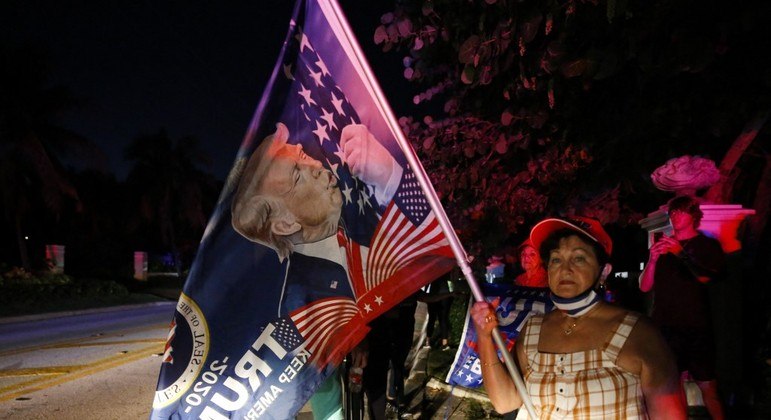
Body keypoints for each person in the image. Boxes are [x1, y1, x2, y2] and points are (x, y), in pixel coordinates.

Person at [230, 122, 400, 419]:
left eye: (304, 156)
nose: (318, 166)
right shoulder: (298, 299)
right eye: (297, 174)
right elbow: (308, 380)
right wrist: (351, 339)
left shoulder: (352, 226)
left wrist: (389, 177)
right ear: (285, 224)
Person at [471, 216, 685, 419]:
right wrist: (485, 337)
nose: (565, 269)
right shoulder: (532, 330)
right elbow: (505, 402)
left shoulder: (639, 332)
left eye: (579, 258)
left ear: (604, 271)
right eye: (556, 259)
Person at [639, 195, 726, 419]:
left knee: (708, 387)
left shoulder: (706, 244)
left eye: (681, 211)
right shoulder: (663, 246)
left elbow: (706, 278)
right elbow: (645, 286)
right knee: (673, 387)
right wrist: (653, 260)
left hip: (696, 326)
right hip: (666, 327)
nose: (675, 216)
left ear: (693, 215)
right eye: (673, 212)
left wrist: (680, 253)